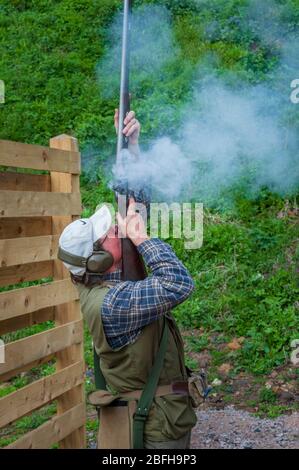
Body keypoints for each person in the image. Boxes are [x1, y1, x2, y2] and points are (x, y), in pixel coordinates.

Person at [57, 111, 197, 449]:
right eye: (110, 233)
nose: (118, 229)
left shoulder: (97, 280)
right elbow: (179, 283)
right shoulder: (114, 303)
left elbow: (135, 207)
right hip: (156, 429)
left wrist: (132, 150)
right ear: (100, 259)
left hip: (154, 417)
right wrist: (142, 238)